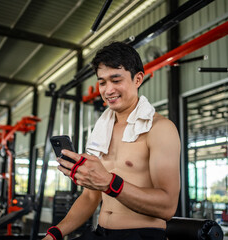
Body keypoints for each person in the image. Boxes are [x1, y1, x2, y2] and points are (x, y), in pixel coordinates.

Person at [43, 42, 180, 240]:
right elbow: (90, 196)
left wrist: (110, 183)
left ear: (138, 79)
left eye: (116, 80)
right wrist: (55, 233)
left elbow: (167, 207)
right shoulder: (102, 130)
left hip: (141, 236)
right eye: (102, 82)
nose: (108, 90)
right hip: (101, 233)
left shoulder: (160, 129)